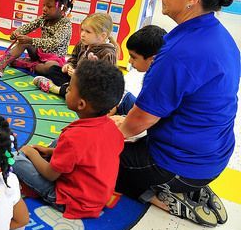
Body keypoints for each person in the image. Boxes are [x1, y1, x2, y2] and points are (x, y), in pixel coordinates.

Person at [114, 0, 239, 227]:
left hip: (177, 163)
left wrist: (110, 135)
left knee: (95, 162)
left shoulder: (179, 52)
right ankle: (191, 185)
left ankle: (168, 194)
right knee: (127, 108)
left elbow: (141, 120)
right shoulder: (221, 36)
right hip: (214, 156)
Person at [13, 60, 125, 219]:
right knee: (60, 141)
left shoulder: (74, 137)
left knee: (16, 159)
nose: (66, 90)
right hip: (97, 196)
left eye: (70, 88)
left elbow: (51, 175)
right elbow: (90, 155)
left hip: (71, 201)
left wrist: (32, 154)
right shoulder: (113, 128)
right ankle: (48, 156)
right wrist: (51, 151)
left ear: (81, 104)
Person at [0, 0, 74, 77]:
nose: (44, 9)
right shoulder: (44, 18)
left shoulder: (65, 24)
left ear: (63, 9)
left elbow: (54, 42)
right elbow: (29, 26)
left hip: (54, 59)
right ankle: (0, 65)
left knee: (51, 68)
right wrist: (17, 32)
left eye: (49, 7)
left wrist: (31, 40)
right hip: (39, 53)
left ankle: (29, 64)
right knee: (24, 42)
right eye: (43, 5)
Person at [32, 12, 118, 96]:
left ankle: (58, 89)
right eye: (82, 30)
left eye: (88, 32)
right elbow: (74, 58)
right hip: (74, 78)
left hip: (90, 85)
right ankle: (67, 88)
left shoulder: (108, 53)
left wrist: (79, 76)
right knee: (53, 69)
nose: (82, 34)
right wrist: (69, 65)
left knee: (89, 93)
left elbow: (103, 81)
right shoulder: (82, 43)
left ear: (102, 36)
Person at [114, 24, 167, 116]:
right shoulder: (155, 73)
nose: (130, 61)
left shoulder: (159, 83)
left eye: (133, 57)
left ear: (152, 60)